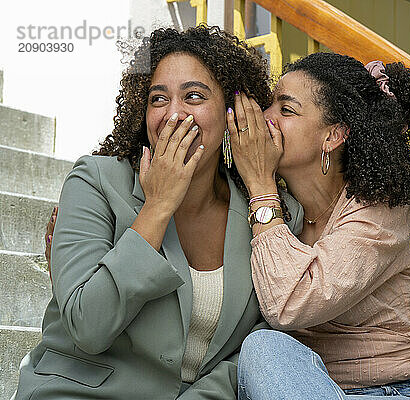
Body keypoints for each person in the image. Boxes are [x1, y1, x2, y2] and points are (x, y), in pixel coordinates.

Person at [13, 25, 302, 400]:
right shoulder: (96, 181)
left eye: (194, 96)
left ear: (233, 113)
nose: (174, 115)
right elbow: (87, 324)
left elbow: (255, 346)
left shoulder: (268, 214)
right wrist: (158, 206)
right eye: (158, 99)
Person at [227, 52, 410, 399]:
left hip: (392, 392)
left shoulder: (381, 209)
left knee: (263, 347)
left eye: (285, 110)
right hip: (310, 389)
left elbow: (290, 304)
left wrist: (260, 185)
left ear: (333, 136)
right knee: (262, 352)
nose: (265, 118)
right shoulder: (282, 210)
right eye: (269, 104)